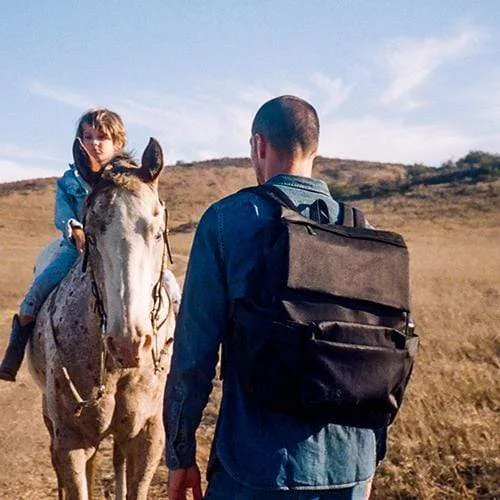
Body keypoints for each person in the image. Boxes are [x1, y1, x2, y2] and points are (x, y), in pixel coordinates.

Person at [164, 95, 379, 500]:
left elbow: (193, 356)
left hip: (257, 467)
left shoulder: (227, 221)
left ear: (259, 146)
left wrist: (180, 454)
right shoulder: (360, 227)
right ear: (314, 149)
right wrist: (369, 458)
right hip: (352, 465)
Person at [0, 108, 181, 382]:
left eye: (102, 137)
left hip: (120, 252)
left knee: (173, 292)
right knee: (34, 297)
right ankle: (13, 357)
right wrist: (73, 226)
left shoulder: (133, 180)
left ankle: (179, 352)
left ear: (117, 142)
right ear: (79, 141)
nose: (94, 143)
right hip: (75, 249)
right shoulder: (71, 180)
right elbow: (62, 212)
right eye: (87, 136)